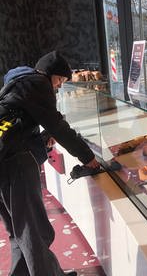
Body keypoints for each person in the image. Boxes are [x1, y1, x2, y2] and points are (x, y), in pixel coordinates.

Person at [0, 50, 100, 276]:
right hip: (15, 166)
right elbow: (59, 128)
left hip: (3, 160)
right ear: (50, 75)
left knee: (19, 233)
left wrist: (43, 140)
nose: (58, 87)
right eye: (60, 81)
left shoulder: (18, 82)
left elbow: (18, 128)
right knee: (34, 232)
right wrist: (88, 158)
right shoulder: (38, 84)